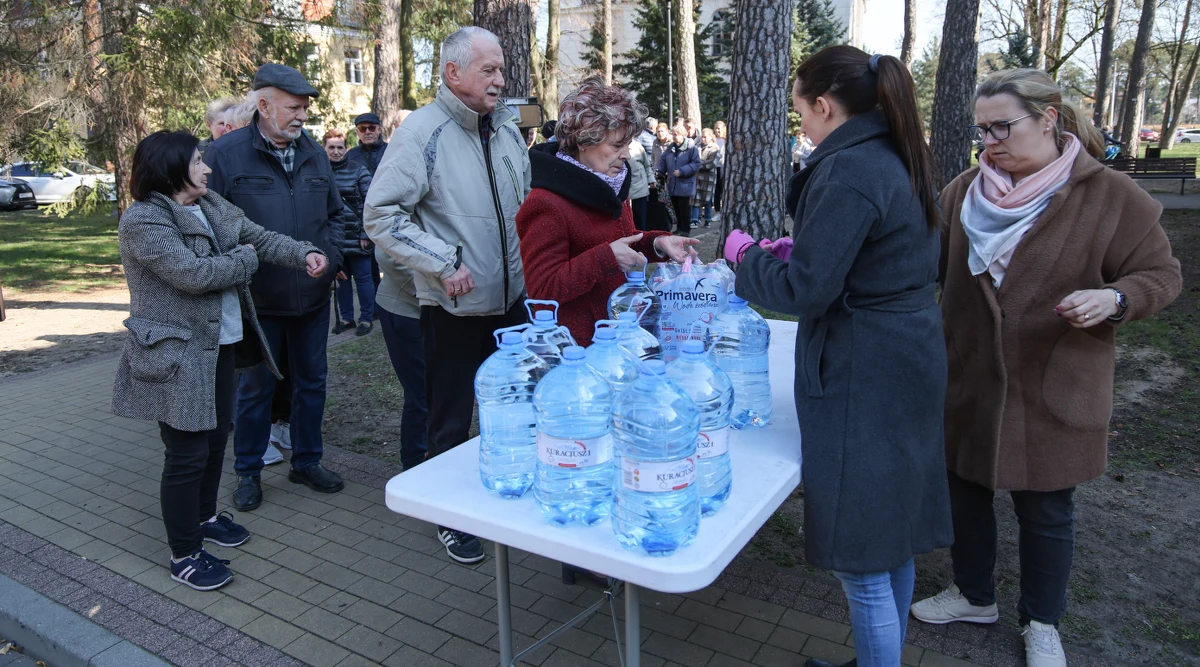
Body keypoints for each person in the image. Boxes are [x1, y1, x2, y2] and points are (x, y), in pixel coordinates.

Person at [911, 69, 1182, 667]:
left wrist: (1114, 299)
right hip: (969, 375)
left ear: (1049, 119)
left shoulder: (1109, 196)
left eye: (1002, 126)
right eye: (981, 130)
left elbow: (1161, 277)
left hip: (1054, 379)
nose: (990, 142)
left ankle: (1042, 622)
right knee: (965, 491)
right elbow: (923, 265)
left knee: (1047, 510)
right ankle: (974, 595)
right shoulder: (963, 192)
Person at [728, 47, 952, 667]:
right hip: (907, 355)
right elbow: (878, 256)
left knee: (861, 559)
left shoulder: (849, 169)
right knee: (892, 536)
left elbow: (806, 290)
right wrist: (795, 250)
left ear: (825, 105)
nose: (800, 121)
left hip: (866, 372)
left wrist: (745, 256)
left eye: (800, 108)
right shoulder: (899, 155)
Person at [111, 130, 328, 591]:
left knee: (214, 443)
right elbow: (194, 276)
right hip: (178, 355)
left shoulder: (210, 206)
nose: (207, 169)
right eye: (197, 162)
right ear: (171, 168)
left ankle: (205, 517)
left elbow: (260, 238)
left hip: (220, 347)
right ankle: (184, 553)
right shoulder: (145, 220)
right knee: (186, 454)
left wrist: (304, 252)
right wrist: (245, 260)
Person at [364, 26, 530, 565]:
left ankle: (503, 491)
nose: (501, 80)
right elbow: (382, 215)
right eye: (489, 70)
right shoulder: (422, 131)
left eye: (502, 69)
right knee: (451, 417)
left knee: (512, 405)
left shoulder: (505, 129)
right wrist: (443, 262)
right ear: (453, 73)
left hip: (513, 302)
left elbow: (524, 209)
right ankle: (452, 518)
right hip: (454, 307)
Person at [204, 63, 348, 512]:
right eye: (294, 107)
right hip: (258, 301)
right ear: (263, 106)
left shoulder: (313, 152)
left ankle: (307, 461)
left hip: (312, 297)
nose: (302, 115)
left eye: (305, 107)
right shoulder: (225, 155)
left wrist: (333, 260)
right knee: (255, 392)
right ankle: (248, 472)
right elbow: (209, 228)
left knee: (312, 384)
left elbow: (336, 215)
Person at [518, 77, 698, 345]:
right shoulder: (546, 203)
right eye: (617, 145)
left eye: (628, 144)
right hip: (577, 351)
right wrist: (605, 259)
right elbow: (542, 292)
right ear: (583, 140)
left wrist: (658, 243)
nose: (626, 154)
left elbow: (622, 241)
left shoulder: (609, 185)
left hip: (618, 338)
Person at [323, 128, 376, 336]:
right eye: (331, 147)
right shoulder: (319, 172)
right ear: (324, 148)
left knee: (363, 279)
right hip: (334, 239)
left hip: (357, 237)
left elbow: (370, 203)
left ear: (346, 149)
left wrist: (366, 233)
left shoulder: (359, 170)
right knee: (342, 280)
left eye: (340, 147)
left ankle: (366, 317)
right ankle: (346, 318)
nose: (336, 152)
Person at [656, 123, 700, 236]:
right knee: (676, 208)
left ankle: (686, 229)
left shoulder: (691, 148)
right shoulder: (671, 148)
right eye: (673, 134)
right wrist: (659, 171)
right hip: (673, 183)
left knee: (684, 208)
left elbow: (696, 164)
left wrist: (682, 171)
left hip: (685, 184)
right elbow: (663, 161)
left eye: (676, 134)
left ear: (683, 135)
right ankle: (679, 227)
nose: (674, 137)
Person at [647, 122, 675, 232]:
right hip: (658, 174)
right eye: (658, 131)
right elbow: (654, 158)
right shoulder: (655, 142)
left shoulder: (671, 142)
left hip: (670, 174)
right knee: (662, 199)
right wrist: (654, 171)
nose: (660, 133)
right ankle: (664, 221)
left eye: (662, 131)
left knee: (671, 199)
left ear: (667, 131)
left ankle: (673, 221)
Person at [692, 127, 720, 228]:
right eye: (702, 137)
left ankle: (707, 220)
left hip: (709, 179)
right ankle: (694, 219)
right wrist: (698, 164)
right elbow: (694, 160)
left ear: (710, 137)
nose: (703, 139)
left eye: (705, 137)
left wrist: (699, 165)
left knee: (707, 200)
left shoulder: (715, 148)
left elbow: (712, 163)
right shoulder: (697, 147)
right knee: (695, 199)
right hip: (698, 177)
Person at [627, 136, 653, 231]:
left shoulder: (637, 146)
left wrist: (651, 179)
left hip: (639, 188)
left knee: (640, 220)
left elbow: (647, 165)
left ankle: (642, 241)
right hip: (623, 192)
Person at [713, 119, 727, 215]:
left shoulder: (726, 140)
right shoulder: (713, 140)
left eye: (719, 129)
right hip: (716, 167)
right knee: (717, 190)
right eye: (716, 129)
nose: (717, 131)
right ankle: (717, 211)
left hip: (724, 167)